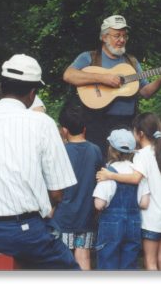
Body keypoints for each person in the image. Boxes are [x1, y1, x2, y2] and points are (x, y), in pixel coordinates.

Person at [0, 54, 80, 269]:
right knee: (69, 270)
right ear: (33, 93)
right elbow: (57, 193)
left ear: (1, 86)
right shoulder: (42, 123)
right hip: (24, 233)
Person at [63, 15, 161, 157]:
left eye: (124, 36)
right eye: (117, 36)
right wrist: (103, 78)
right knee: (99, 164)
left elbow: (146, 92)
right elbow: (68, 75)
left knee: (125, 165)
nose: (121, 40)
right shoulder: (89, 57)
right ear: (104, 37)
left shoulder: (132, 62)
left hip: (126, 124)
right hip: (96, 123)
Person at [97, 113, 161, 270]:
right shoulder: (160, 151)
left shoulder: (141, 155)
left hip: (153, 216)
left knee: (150, 261)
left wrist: (110, 175)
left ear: (140, 133)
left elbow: (135, 178)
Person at [52, 102, 103, 270]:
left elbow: (55, 189)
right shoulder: (95, 150)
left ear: (64, 130)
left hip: (64, 218)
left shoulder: (61, 152)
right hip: (86, 216)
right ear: (84, 128)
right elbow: (100, 180)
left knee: (64, 259)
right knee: (83, 255)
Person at [93, 129, 149, 270]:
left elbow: (99, 204)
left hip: (111, 223)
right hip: (133, 222)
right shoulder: (138, 173)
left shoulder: (107, 173)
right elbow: (144, 202)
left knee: (108, 259)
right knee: (130, 262)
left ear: (110, 149)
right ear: (132, 151)